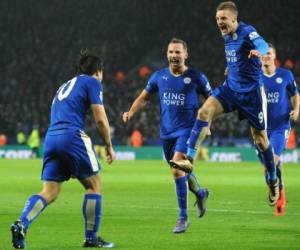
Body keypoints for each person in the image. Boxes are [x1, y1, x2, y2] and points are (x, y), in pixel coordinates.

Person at [170, 1, 280, 207]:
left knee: (261, 140)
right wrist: (232, 69)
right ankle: (189, 160)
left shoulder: (248, 31)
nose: (219, 22)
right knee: (204, 112)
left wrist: (261, 52)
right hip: (230, 89)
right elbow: (236, 58)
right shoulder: (227, 36)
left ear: (234, 19)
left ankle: (273, 179)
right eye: (217, 19)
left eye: (223, 19)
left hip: (252, 95)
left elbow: (263, 44)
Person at [11, 51, 115, 249]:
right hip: (72, 135)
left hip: (51, 138)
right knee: (94, 186)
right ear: (99, 71)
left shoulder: (63, 86)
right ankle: (91, 239)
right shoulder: (92, 82)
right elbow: (100, 119)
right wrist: (109, 145)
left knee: (49, 191)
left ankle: (21, 223)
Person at [123, 38, 211, 233]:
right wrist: (130, 112)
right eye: (171, 52)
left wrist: (207, 123)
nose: (174, 55)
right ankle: (200, 192)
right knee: (180, 169)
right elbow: (144, 97)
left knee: (176, 169)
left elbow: (211, 100)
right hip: (166, 133)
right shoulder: (158, 76)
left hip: (188, 129)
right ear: (167, 54)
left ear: (186, 55)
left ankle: (183, 217)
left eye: (178, 52)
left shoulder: (197, 77)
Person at [257, 43, 299, 215]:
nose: (266, 56)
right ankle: (279, 189)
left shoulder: (285, 75)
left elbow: (295, 94)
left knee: (271, 161)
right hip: (259, 128)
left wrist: (296, 110)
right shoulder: (255, 76)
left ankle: (276, 191)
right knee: (269, 166)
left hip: (280, 127)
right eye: (263, 53)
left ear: (274, 56)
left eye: (269, 53)